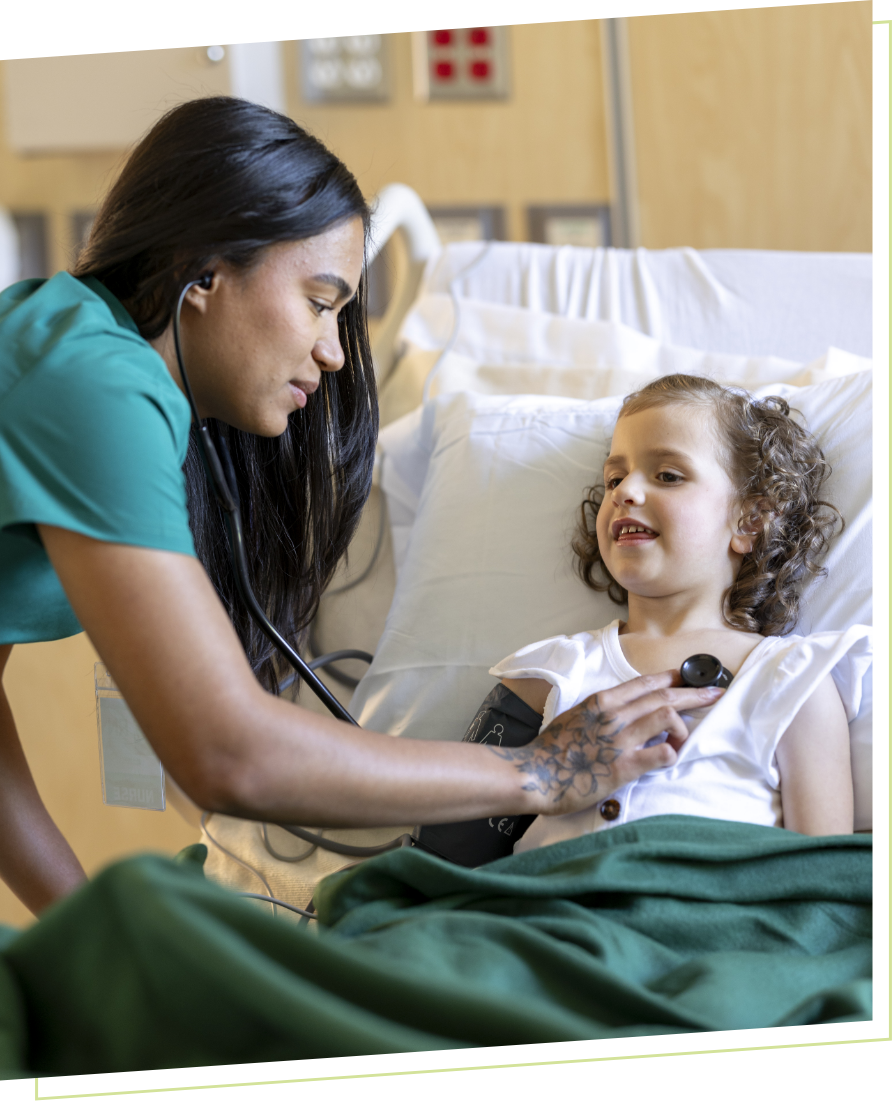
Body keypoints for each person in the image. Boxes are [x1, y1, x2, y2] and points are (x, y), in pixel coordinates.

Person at [0, 99, 720, 917]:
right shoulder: (97, 387)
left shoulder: (67, 347)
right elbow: (225, 753)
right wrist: (542, 772)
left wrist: (82, 932)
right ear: (203, 271)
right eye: (319, 300)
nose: (335, 351)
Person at [488, 374, 870, 853]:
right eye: (614, 478)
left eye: (668, 475)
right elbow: (451, 847)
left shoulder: (794, 682)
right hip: (542, 914)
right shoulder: (547, 673)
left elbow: (821, 880)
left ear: (749, 521)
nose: (625, 491)